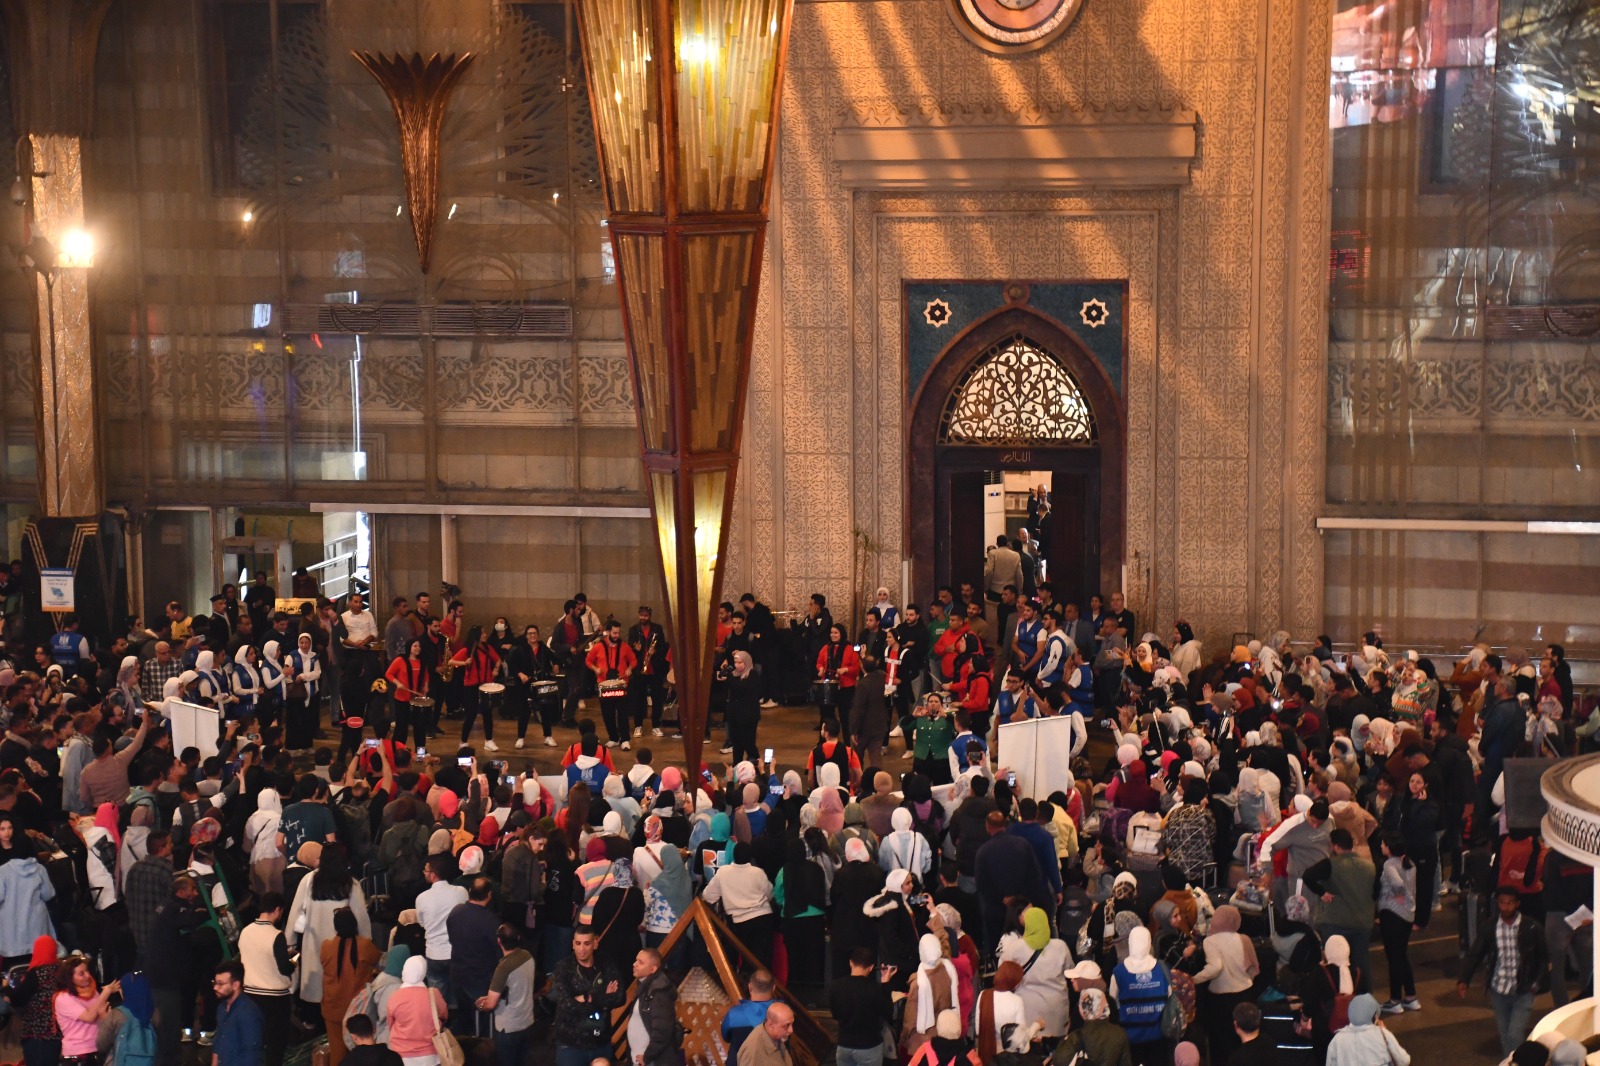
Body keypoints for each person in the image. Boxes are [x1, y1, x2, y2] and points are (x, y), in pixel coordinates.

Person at [1459, 887, 1549, 1056]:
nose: (1506, 907)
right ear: (1497, 903)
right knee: (1505, 1035)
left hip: (1523, 989)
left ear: (1517, 904)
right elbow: (1476, 953)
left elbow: (1543, 957)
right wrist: (1464, 979)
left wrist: (1535, 984)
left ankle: (1513, 1062)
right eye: (1502, 903)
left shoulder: (1532, 927)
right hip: (1498, 989)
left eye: (1510, 903)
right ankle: (1512, 1060)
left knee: (1514, 1034)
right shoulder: (1489, 927)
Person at [1187, 905, 1259, 1065]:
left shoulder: (1210, 941)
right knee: (1243, 1041)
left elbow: (1215, 967)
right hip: (1246, 994)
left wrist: (1194, 980)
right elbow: (1253, 969)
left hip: (1221, 1001)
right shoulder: (1244, 939)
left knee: (1221, 1045)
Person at [550, 925, 624, 1066]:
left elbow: (620, 997)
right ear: (573, 944)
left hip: (600, 1042)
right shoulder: (564, 968)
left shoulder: (606, 964)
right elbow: (568, 1006)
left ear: (595, 944)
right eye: (578, 943)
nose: (581, 949)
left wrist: (587, 998)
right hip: (571, 1044)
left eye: (587, 943)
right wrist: (604, 999)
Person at [238, 892, 294, 1066]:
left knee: (255, 1040)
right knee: (275, 1045)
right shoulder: (276, 935)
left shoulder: (245, 931)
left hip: (250, 995)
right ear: (277, 910)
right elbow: (284, 968)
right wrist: (294, 961)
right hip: (275, 999)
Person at [320, 907, 381, 1066]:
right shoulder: (365, 945)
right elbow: (378, 959)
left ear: (336, 926)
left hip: (333, 1009)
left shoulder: (326, 946)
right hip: (359, 1010)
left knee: (337, 1052)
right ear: (355, 924)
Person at [477, 924, 538, 1066]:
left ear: (499, 941)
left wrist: (481, 1005)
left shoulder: (504, 967)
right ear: (518, 937)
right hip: (527, 1022)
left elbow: (490, 1004)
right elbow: (516, 987)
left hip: (508, 1028)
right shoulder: (527, 956)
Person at [1109, 927, 1168, 1066]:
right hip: (1158, 1035)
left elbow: (1112, 1002)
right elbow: (1169, 996)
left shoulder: (1118, 972)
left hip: (1129, 1036)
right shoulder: (1162, 968)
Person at [828, 946, 895, 1066]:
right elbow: (888, 1013)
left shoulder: (835, 986)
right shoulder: (874, 989)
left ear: (851, 963)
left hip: (844, 1044)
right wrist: (886, 983)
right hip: (869, 1046)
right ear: (871, 967)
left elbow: (835, 1015)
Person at [54, 957, 120, 1066]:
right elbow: (89, 1017)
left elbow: (99, 1018)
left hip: (97, 1048)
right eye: (81, 974)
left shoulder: (93, 993)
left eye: (87, 971)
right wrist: (106, 993)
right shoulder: (63, 998)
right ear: (70, 978)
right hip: (77, 1053)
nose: (88, 975)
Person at [386, 956, 451, 1066]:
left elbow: (390, 1024)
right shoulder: (433, 994)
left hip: (400, 1054)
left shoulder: (395, 996)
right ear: (423, 972)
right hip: (430, 1054)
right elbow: (444, 1016)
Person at [1049, 988, 1130, 1066]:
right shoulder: (1119, 1034)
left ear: (1081, 1011)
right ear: (1106, 1008)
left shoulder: (1076, 1037)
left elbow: (1060, 1061)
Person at [628, 948, 679, 1066]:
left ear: (653, 969)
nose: (634, 964)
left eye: (641, 962)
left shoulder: (659, 993)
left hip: (653, 1061)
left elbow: (662, 1031)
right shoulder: (644, 989)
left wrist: (647, 1056)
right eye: (636, 960)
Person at [211, 960, 263, 1066]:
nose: (215, 987)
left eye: (220, 984)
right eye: (215, 983)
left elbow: (251, 1053)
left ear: (235, 985)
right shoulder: (222, 1007)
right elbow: (219, 1041)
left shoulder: (248, 1013)